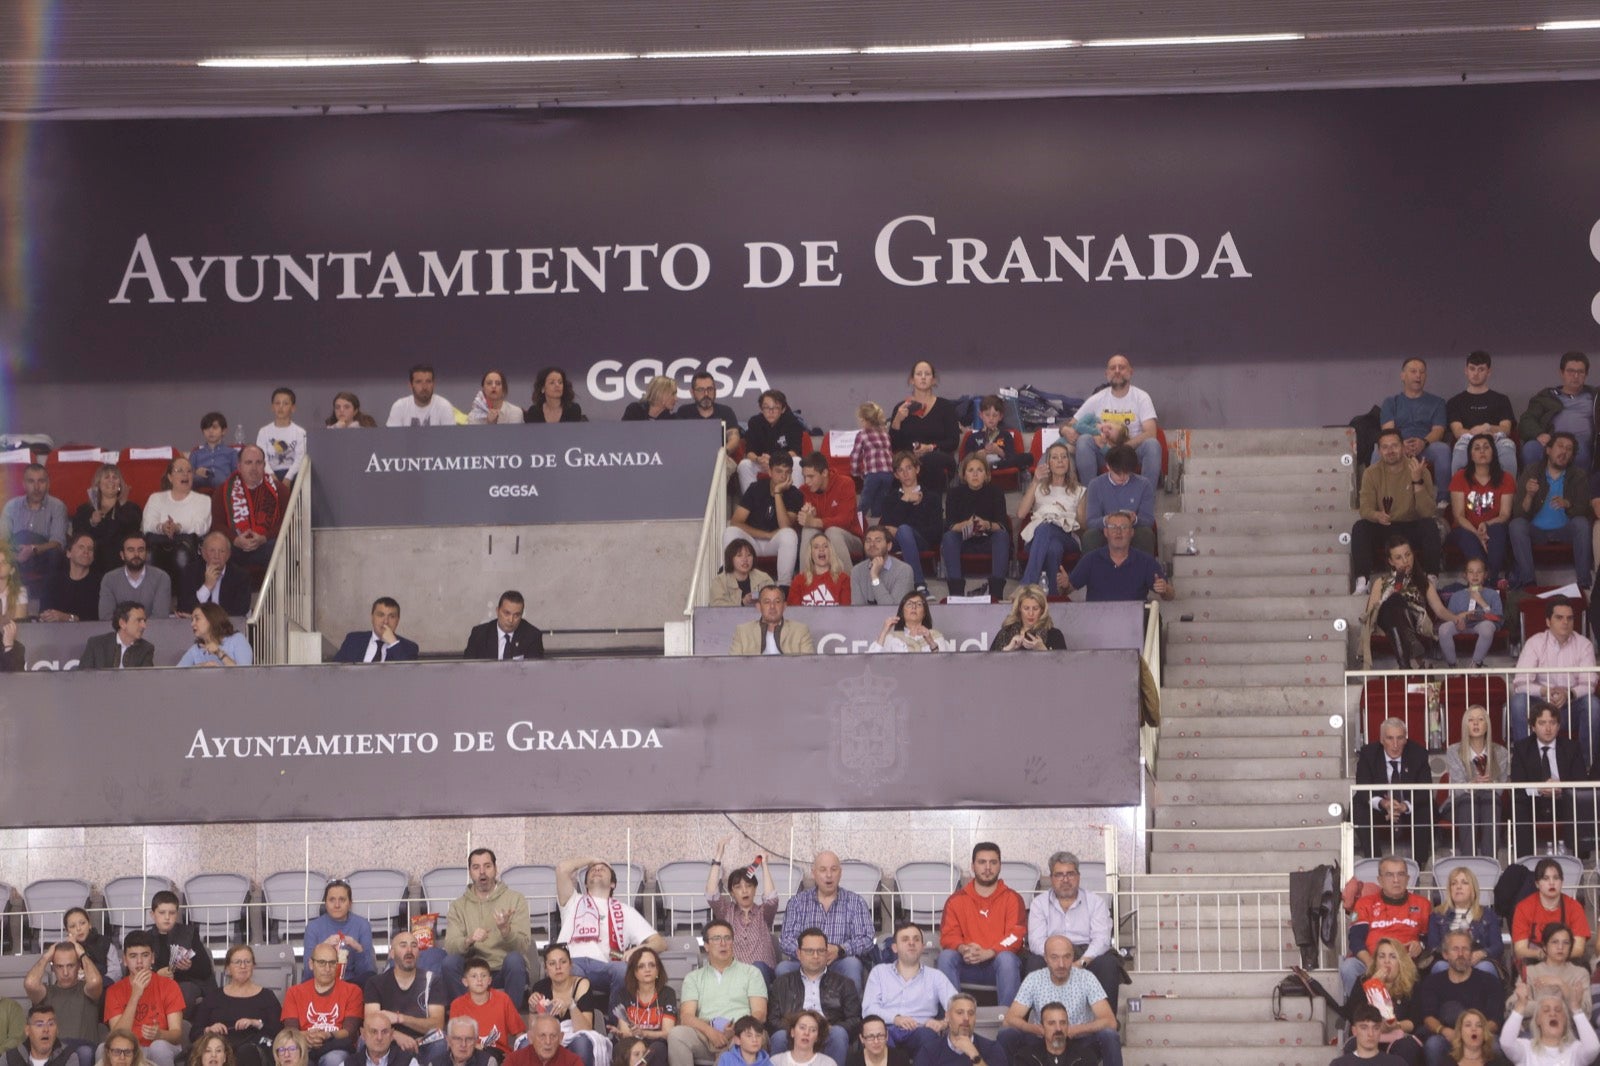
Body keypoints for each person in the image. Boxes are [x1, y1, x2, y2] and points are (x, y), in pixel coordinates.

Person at [554, 856, 666, 999]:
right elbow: (562, 869)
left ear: (613, 884)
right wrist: (591, 859)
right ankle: (581, 1020)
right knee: (569, 971)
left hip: (604, 966)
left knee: (623, 970)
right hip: (572, 962)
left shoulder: (625, 911)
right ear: (586, 884)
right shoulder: (573, 901)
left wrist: (637, 950)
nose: (597, 869)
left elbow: (660, 942)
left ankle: (615, 1020)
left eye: (603, 869)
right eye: (592, 869)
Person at [997, 937, 1117, 1066]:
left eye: (1066, 957)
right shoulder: (1034, 979)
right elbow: (1009, 1019)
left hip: (1079, 1039)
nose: (1061, 964)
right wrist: (1034, 1028)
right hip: (1043, 1040)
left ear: (1073, 958)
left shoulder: (1086, 978)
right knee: (1007, 1034)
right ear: (1046, 959)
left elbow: (1110, 1022)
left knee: (1109, 1036)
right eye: (1054, 957)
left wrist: (1075, 1030)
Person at [1026, 852, 1121, 1015]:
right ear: (1051, 878)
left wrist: (1081, 962)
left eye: (1070, 874)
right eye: (1059, 875)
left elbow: (1102, 939)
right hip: (1051, 953)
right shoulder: (1039, 904)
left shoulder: (1095, 902)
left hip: (1087, 954)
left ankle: (1106, 1025)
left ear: (1078, 876)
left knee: (1109, 964)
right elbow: (1035, 941)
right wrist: (1056, 959)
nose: (1065, 880)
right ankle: (1039, 1026)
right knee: (1032, 963)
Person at [665, 919, 768, 1066]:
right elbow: (686, 1016)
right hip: (705, 1033)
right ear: (706, 946)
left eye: (727, 938)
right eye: (716, 939)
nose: (723, 943)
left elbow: (760, 1013)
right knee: (677, 1035)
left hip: (740, 1031)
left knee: (751, 1037)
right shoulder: (694, 977)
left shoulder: (751, 973)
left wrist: (736, 1030)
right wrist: (710, 1032)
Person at [934, 844, 1025, 1009]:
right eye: (982, 862)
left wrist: (990, 952)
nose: (988, 868)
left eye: (993, 862)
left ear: (1000, 866)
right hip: (967, 964)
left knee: (1007, 959)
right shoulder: (956, 900)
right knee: (946, 957)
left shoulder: (1012, 898)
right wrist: (963, 949)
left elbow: (1015, 936)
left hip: (998, 965)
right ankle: (954, 1017)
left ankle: (1008, 1024)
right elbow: (948, 935)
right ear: (972, 866)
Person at [1352, 430, 1443, 594]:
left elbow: (1427, 511)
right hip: (1385, 526)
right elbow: (1365, 509)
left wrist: (1417, 481)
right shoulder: (1371, 473)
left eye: (1394, 445)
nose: (1390, 451)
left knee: (1430, 526)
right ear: (1379, 451)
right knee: (1360, 527)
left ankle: (1431, 579)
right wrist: (1376, 515)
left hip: (1411, 525)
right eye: (1385, 447)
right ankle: (1362, 581)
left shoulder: (1419, 470)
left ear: (1403, 447)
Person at [440, 848, 531, 1007]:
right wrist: (469, 940)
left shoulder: (515, 899)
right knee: (449, 963)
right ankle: (468, 1016)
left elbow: (523, 945)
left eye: (487, 866)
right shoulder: (458, 906)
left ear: (495, 869)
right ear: (470, 872)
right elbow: (450, 947)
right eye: (476, 867)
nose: (482, 872)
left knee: (515, 960)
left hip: (503, 969)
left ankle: (510, 1019)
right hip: (473, 972)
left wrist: (506, 931)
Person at [1508, 597, 1595, 756]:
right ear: (1548, 622)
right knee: (1519, 701)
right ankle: (1525, 761)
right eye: (1559, 617)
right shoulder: (1534, 643)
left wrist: (1569, 694)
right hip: (1540, 708)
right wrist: (1545, 691)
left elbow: (1589, 683)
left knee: (1593, 704)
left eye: (1569, 618)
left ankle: (1586, 766)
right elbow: (1520, 682)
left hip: (1570, 708)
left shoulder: (1584, 645)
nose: (1565, 622)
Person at [777, 853, 874, 993]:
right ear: (814, 873)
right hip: (804, 963)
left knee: (852, 965)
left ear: (840, 873)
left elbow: (867, 939)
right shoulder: (797, 903)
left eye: (834, 869)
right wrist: (810, 953)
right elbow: (786, 940)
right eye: (823, 870)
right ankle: (792, 1015)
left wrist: (840, 950)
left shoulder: (855, 902)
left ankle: (853, 1015)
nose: (829, 875)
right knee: (783, 969)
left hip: (840, 961)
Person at [1509, 431, 1593, 591]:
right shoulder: (1531, 471)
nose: (1564, 452)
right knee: (1516, 525)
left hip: (1564, 531)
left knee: (1582, 523)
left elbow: (1584, 510)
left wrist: (1568, 504)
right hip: (1537, 532)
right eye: (1560, 446)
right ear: (1548, 450)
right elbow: (1519, 513)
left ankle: (1584, 583)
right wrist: (1529, 495)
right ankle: (1529, 582)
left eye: (1569, 449)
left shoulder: (1578, 475)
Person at [1340, 858, 1431, 1000]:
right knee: (1349, 967)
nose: (1396, 880)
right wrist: (1372, 964)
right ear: (1380, 880)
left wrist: (1420, 945)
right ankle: (1359, 1015)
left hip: (1406, 964)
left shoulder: (1423, 904)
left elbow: (1428, 939)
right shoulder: (1364, 903)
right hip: (1371, 961)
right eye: (1389, 875)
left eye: (1401, 874)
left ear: (1407, 878)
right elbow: (1355, 939)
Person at [1510, 702, 1590, 857]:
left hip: (1564, 803)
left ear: (1559, 726)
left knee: (1581, 803)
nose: (1548, 728)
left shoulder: (1571, 747)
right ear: (1533, 727)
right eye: (1542, 723)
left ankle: (1582, 860)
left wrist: (1563, 788)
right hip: (1534, 803)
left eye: (1552, 723)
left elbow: (1581, 782)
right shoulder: (1522, 748)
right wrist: (1539, 789)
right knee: (1518, 805)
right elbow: (1517, 784)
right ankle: (1525, 861)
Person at [767, 930, 860, 1064]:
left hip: (829, 1030)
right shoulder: (781, 983)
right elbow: (772, 1020)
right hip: (793, 1032)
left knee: (838, 1034)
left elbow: (855, 1020)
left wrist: (826, 1028)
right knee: (780, 1036)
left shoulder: (844, 983)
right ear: (799, 953)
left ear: (827, 952)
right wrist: (797, 1029)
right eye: (809, 951)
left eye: (821, 951)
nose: (815, 956)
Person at [1357, 537, 1450, 670]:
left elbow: (1440, 610)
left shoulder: (1424, 582)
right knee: (1393, 600)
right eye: (1399, 558)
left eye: (1408, 555)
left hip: (1414, 620)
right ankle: (1410, 640)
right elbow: (1372, 612)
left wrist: (1458, 618)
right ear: (1391, 561)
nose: (1405, 561)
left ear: (1413, 555)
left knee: (1397, 603)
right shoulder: (1380, 582)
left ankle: (1404, 667)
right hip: (1384, 623)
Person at [1415, 931, 1504, 1066]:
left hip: (1480, 1034)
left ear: (1471, 953)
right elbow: (1428, 1017)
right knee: (1433, 1045)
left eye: (1465, 949)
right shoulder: (1432, 982)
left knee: (1495, 1046)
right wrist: (1446, 1032)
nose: (1461, 954)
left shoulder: (1489, 981)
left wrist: (1473, 1034)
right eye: (1455, 949)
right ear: (1445, 954)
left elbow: (1495, 1021)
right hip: (1448, 1035)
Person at [1353, 720, 1434, 866]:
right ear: (1382, 740)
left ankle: (1418, 863)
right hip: (1381, 809)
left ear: (1406, 739)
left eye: (1400, 738)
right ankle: (1374, 861)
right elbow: (1362, 787)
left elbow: (1425, 790)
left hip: (1409, 808)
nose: (1395, 744)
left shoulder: (1419, 753)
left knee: (1427, 808)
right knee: (1357, 805)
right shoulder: (1368, 753)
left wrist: (1403, 806)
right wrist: (1384, 803)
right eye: (1390, 738)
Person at [1377, 357, 1452, 506]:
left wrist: (1423, 443)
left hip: (1426, 445)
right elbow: (1388, 431)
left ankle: (1443, 500)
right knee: (1376, 453)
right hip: (1398, 445)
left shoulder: (1437, 402)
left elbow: (1438, 430)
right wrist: (1401, 445)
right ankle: (1378, 498)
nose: (1418, 375)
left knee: (1443, 449)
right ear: (1403, 376)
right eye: (1413, 371)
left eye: (1422, 372)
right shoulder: (1390, 402)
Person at [365, 931, 447, 1066]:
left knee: (440, 1041)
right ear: (391, 953)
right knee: (366, 1040)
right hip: (389, 1043)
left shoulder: (433, 980)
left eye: (414, 946)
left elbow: (437, 1025)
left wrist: (400, 1018)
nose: (409, 950)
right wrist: (395, 1035)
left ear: (419, 952)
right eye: (403, 945)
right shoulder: (375, 982)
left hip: (422, 1043)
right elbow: (370, 1022)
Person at [103, 932, 184, 1066]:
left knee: (159, 1047)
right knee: (104, 1049)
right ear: (124, 960)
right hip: (129, 1049)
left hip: (160, 1046)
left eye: (145, 955)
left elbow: (177, 1034)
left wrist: (160, 1035)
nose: (139, 962)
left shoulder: (169, 986)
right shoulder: (114, 991)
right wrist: (135, 996)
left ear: (152, 958)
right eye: (133, 956)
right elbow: (117, 1037)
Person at [722, 452, 802, 589]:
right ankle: (730, 579)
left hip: (775, 543)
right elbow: (736, 521)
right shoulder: (755, 488)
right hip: (753, 542)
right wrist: (765, 535)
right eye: (779, 471)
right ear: (770, 472)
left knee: (790, 534)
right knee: (730, 531)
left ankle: (784, 586)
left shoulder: (795, 494)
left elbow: (785, 526)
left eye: (787, 472)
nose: (783, 476)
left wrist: (777, 492)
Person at [706, 838, 781, 982]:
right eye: (738, 887)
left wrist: (764, 864)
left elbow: (771, 898)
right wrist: (718, 856)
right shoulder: (726, 912)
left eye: (749, 886)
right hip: (735, 975)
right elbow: (711, 894)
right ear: (732, 892)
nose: (744, 891)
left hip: (762, 974)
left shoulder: (763, 913)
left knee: (757, 968)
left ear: (755, 889)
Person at [196, 945, 283, 1066]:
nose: (243, 966)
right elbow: (194, 1032)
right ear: (227, 968)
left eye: (247, 962)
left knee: (246, 1052)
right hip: (220, 1049)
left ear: (254, 966)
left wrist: (256, 1023)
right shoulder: (213, 997)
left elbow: (279, 1031)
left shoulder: (267, 996)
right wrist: (209, 1029)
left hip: (254, 1049)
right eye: (237, 962)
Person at [1340, 938, 1423, 1065]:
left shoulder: (1412, 984)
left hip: (1398, 1036)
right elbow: (1354, 1016)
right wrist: (1373, 987)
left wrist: (1396, 1025)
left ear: (1401, 962)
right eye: (1381, 956)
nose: (1386, 961)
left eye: (1393, 957)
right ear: (1375, 961)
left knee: (1407, 1047)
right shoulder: (1363, 981)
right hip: (1367, 1034)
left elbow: (1414, 1021)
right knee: (1353, 1045)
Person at [1438, 707, 1508, 857]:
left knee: (1491, 799)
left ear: (1487, 724)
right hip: (1460, 804)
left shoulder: (1501, 752)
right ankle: (1469, 859)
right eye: (1471, 720)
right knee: (1469, 802)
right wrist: (1473, 785)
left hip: (1488, 803)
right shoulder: (1453, 751)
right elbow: (1458, 788)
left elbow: (1500, 789)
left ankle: (1491, 861)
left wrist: (1491, 784)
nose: (1476, 724)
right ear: (1465, 725)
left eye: (1480, 719)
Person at [1016, 442, 1084, 595]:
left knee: (1046, 527)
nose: (1060, 461)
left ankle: (1027, 584)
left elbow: (1083, 525)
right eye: (1055, 457)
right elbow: (1021, 514)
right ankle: (1052, 594)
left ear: (1069, 462)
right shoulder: (1039, 487)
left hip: (1067, 536)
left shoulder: (1079, 490)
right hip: (1037, 537)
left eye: (1064, 457)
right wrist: (1034, 481)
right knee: (1053, 547)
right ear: (1048, 463)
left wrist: (1061, 512)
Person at [1446, 435, 1514, 586]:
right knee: (1467, 536)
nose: (1482, 451)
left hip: (1492, 527)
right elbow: (1458, 516)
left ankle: (1492, 578)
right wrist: (1477, 534)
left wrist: (1486, 524)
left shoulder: (1506, 478)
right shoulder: (1460, 477)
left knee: (1497, 530)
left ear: (1493, 452)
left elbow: (1504, 515)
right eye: (1477, 448)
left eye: (1486, 447)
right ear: (1471, 454)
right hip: (1464, 529)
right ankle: (1485, 582)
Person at [1061, 511, 1173, 604]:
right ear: (1105, 532)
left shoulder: (1145, 561)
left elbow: (1170, 594)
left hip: (1134, 623)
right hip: (1097, 622)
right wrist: (1065, 585)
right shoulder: (1090, 559)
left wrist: (1164, 589)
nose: (1118, 532)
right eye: (1113, 527)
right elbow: (1068, 589)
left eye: (1124, 527)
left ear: (1132, 532)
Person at [282, 943, 364, 1066]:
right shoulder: (294, 992)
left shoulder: (352, 991)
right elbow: (291, 1031)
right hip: (304, 1046)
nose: (327, 969)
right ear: (311, 964)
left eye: (332, 963)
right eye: (321, 963)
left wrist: (327, 1035)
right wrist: (307, 1036)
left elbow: (350, 1031)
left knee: (334, 1059)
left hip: (336, 1047)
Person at [23, 942, 103, 1066]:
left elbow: (95, 981)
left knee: (84, 1052)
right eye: (59, 966)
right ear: (53, 967)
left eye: (70, 965)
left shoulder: (88, 990)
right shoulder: (46, 992)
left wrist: (82, 954)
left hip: (84, 1049)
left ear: (78, 966)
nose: (65, 973)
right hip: (54, 1050)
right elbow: (30, 983)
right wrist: (46, 957)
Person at [1518, 351, 1599, 473]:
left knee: (1580, 451)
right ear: (1562, 373)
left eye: (1580, 372)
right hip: (1551, 442)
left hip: (1582, 445)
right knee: (1531, 449)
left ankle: (1577, 490)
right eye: (1571, 371)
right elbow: (1527, 419)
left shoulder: (1595, 396)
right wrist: (1539, 434)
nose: (1575, 376)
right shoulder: (1546, 396)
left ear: (1586, 374)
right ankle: (1534, 490)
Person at [940, 457, 1009, 601]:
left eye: (979, 470)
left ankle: (996, 593)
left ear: (986, 474)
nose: (975, 474)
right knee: (949, 537)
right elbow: (950, 525)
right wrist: (965, 525)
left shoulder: (996, 492)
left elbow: (1002, 524)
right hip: (964, 540)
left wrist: (987, 524)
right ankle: (956, 593)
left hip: (988, 540)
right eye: (971, 470)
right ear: (964, 475)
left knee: (1002, 536)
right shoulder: (954, 493)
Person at [527, 944, 606, 1066]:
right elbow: (534, 1029)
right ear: (546, 969)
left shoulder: (582, 984)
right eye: (552, 964)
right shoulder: (539, 987)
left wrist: (571, 1005)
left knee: (582, 1043)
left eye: (563, 962)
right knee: (526, 1044)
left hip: (577, 1036)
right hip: (550, 1037)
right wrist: (532, 1010)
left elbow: (585, 1029)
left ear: (570, 965)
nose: (558, 967)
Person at [888, 361, 959, 492]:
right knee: (906, 466)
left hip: (938, 456)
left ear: (933, 380)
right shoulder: (901, 408)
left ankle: (932, 507)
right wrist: (897, 420)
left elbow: (953, 442)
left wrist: (931, 447)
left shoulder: (946, 407)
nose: (923, 377)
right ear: (911, 380)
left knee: (930, 461)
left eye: (927, 374)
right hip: (910, 459)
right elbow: (895, 446)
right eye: (919, 374)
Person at [880, 452, 943, 597]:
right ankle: (919, 586)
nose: (905, 474)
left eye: (909, 468)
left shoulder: (932, 497)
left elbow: (937, 531)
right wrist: (905, 500)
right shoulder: (890, 499)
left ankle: (919, 584)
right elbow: (885, 528)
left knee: (904, 530)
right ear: (896, 475)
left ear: (917, 469)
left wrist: (904, 532)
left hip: (922, 541)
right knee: (892, 533)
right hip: (894, 543)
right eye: (900, 470)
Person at [211, 444, 284, 569]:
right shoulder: (222, 491)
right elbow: (217, 525)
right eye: (248, 462)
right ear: (239, 466)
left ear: (264, 466)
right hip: (235, 546)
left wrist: (264, 538)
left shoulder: (280, 490)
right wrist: (235, 539)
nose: (254, 468)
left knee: (279, 548)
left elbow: (285, 523)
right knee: (220, 547)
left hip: (267, 544)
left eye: (258, 462)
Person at [141, 456, 211, 581]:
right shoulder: (156, 498)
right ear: (170, 477)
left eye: (189, 471)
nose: (185, 474)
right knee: (149, 554)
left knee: (181, 555)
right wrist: (162, 527)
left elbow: (200, 527)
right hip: (158, 544)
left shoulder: (203, 500)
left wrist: (178, 527)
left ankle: (184, 598)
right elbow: (147, 524)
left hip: (187, 547)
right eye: (180, 470)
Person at [1446, 351, 1518, 475]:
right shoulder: (1455, 401)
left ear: (1489, 372)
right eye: (1472, 369)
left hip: (1495, 439)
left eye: (1481, 369)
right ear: (1466, 370)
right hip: (1467, 439)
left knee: (1508, 446)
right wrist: (1478, 432)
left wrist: (1488, 427)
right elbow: (1457, 431)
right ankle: (1457, 494)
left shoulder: (1501, 399)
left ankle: (1508, 492)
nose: (1476, 373)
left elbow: (1506, 429)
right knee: (1460, 449)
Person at [5, 462, 69, 599]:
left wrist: (32, 549)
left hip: (44, 557)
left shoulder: (57, 506)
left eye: (41, 481)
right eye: (31, 481)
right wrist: (16, 553)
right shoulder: (12, 506)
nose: (36, 487)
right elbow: (2, 540)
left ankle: (49, 602)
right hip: (15, 555)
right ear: (23, 484)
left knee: (56, 555)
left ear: (48, 483)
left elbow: (58, 542)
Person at [147, 888, 216, 1014]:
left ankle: (176, 1027)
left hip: (185, 984)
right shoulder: (145, 938)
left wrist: (190, 966)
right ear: (152, 914)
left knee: (185, 990)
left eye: (172, 913)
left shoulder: (189, 933)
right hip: (156, 986)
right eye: (162, 913)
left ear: (177, 914)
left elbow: (206, 970)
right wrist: (156, 976)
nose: (167, 917)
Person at [1511, 860, 1590, 967]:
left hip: (1567, 960)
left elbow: (1578, 949)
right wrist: (1541, 955)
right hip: (1536, 959)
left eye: (1556, 878)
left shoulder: (1574, 907)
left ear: (1562, 882)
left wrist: (1557, 956)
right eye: (1546, 878)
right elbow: (1520, 950)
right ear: (1537, 884)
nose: (1552, 883)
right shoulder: (1523, 907)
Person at [1499, 982, 1599, 1066]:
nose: (1553, 1014)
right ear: (1537, 1020)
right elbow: (1506, 1043)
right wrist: (1520, 1005)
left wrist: (1576, 1009)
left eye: (1558, 1010)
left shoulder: (1575, 1049)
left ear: (1565, 1020)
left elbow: (1593, 1048)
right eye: (1546, 1010)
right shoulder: (1525, 1048)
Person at [1078, 447, 1155, 555]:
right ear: (1108, 466)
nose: (1123, 477)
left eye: (1127, 473)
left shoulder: (1144, 484)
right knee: (1090, 536)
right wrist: (1107, 520)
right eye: (1118, 473)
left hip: (1131, 529)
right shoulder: (1095, 484)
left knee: (1145, 534)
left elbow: (1148, 520)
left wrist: (1135, 519)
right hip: (1106, 530)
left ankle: (1145, 571)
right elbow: (1091, 522)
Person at [609, 947, 677, 1066]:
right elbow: (626, 1032)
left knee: (656, 1049)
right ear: (634, 972)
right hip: (631, 1043)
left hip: (657, 1043)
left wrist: (644, 1033)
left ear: (658, 970)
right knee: (626, 1050)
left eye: (652, 965)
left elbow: (667, 1032)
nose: (647, 969)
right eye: (641, 966)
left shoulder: (667, 993)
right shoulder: (623, 994)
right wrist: (622, 1034)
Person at [301, 880, 376, 988]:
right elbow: (308, 972)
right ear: (325, 903)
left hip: (351, 984)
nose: (337, 905)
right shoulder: (313, 927)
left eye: (342, 900)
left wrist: (358, 948)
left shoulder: (362, 925)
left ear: (350, 903)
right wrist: (323, 946)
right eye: (332, 900)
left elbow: (369, 971)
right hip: (321, 983)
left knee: (370, 980)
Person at [447, 958, 523, 1063]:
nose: (479, 980)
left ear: (490, 980)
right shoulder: (457, 1004)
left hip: (497, 1052)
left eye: (483, 976)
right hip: (469, 1050)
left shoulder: (503, 999)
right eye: (474, 976)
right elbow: (454, 1036)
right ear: (465, 982)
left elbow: (519, 1033)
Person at [73, 464, 142, 575]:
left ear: (120, 484)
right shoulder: (85, 510)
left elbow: (132, 532)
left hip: (118, 558)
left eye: (115, 477)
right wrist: (92, 522)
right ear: (98, 484)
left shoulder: (131, 508)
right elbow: (77, 535)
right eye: (106, 477)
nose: (111, 481)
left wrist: (121, 506)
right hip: (92, 558)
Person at [797, 453, 863, 567]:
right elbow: (807, 522)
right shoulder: (804, 490)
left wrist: (815, 521)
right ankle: (804, 582)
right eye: (804, 476)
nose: (807, 481)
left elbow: (845, 520)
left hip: (851, 538)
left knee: (832, 532)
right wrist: (807, 517)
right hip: (822, 538)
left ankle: (848, 582)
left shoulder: (845, 483)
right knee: (808, 530)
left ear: (824, 473)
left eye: (811, 476)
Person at [1436, 560, 1503, 670]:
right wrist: (1459, 618)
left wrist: (1482, 602)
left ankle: (1476, 664)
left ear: (1485, 575)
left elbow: (1498, 619)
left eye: (1479, 572)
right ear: (1465, 575)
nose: (1475, 575)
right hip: (1462, 624)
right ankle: (1453, 665)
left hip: (1480, 624)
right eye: (1471, 572)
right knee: (1444, 629)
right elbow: (1448, 617)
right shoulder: (1457, 595)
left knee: (1487, 627)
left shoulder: (1492, 594)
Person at [737, 390, 807, 494]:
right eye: (767, 408)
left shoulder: (792, 422)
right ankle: (750, 505)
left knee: (797, 462)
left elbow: (794, 451)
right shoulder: (755, 422)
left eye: (775, 408)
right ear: (761, 408)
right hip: (762, 464)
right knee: (744, 465)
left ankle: (795, 504)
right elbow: (749, 452)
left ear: (783, 409)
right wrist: (758, 459)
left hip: (783, 464)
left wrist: (774, 461)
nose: (771, 411)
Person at [98, 533, 171, 623]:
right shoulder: (109, 579)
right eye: (131, 550)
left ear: (146, 554)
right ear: (122, 555)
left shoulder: (161, 578)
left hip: (153, 634)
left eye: (140, 550)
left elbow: (160, 617)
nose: (136, 554)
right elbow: (106, 617)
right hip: (119, 634)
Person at [1520, 924, 1589, 1018]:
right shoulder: (1530, 972)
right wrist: (1557, 1006)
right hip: (1534, 1029)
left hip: (1570, 1030)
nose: (1560, 947)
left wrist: (1561, 984)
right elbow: (1515, 1007)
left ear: (1571, 947)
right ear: (1544, 946)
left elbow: (1586, 1012)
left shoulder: (1580, 973)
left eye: (1566, 943)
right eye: (1554, 942)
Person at [176, 532, 253, 616]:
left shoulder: (241, 577)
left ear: (228, 555)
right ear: (204, 553)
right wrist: (206, 587)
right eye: (212, 551)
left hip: (227, 627)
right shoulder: (189, 573)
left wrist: (208, 621)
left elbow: (239, 612)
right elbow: (184, 608)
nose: (216, 556)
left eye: (222, 551)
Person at [958, 396, 1028, 482]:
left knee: (1026, 457)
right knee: (971, 463)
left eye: (995, 415)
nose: (991, 419)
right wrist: (978, 455)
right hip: (979, 466)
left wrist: (999, 451)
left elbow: (1011, 457)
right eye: (987, 415)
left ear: (1000, 416)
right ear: (981, 415)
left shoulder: (1006, 435)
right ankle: (987, 466)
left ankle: (993, 466)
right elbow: (966, 459)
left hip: (1001, 464)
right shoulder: (972, 436)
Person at [730, 586, 814, 656]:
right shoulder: (742, 631)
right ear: (759, 607)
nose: (772, 606)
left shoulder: (800, 630)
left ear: (784, 606)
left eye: (777, 602)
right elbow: (733, 667)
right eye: (767, 602)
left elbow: (808, 665)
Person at [462, 591, 545, 661]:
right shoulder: (479, 634)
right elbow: (467, 670)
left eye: (516, 615)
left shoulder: (532, 636)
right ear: (497, 611)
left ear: (521, 615)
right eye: (507, 613)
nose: (511, 620)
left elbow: (534, 674)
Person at [332, 598, 420, 664]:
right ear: (372, 617)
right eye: (380, 615)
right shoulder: (353, 640)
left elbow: (409, 676)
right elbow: (333, 672)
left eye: (392, 616)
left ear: (398, 620)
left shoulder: (409, 648)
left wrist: (393, 643)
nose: (385, 621)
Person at [675, 372, 741, 456]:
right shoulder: (684, 412)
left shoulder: (726, 411)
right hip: (690, 457)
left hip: (722, 459)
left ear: (715, 390)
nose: (706, 394)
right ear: (692, 392)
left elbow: (734, 437)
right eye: (701, 390)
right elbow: (678, 440)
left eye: (710, 389)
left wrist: (723, 453)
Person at [850, 403, 895, 528]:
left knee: (865, 501)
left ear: (864, 420)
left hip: (873, 473)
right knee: (880, 501)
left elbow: (855, 456)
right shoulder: (885, 433)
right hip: (888, 473)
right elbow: (889, 452)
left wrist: (855, 472)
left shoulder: (862, 434)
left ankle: (856, 523)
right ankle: (878, 526)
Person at [39, 532, 100, 622]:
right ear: (68, 553)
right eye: (81, 547)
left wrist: (67, 617)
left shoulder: (100, 583)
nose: (86, 552)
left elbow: (97, 617)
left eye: (90, 549)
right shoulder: (53, 581)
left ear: (93, 557)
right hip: (54, 632)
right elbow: (43, 612)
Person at [867, 591, 951, 654]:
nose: (914, 607)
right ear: (902, 612)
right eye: (909, 604)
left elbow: (943, 665)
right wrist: (884, 632)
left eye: (918, 604)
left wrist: (931, 642)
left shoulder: (935, 636)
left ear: (924, 613)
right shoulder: (892, 638)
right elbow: (872, 662)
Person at [78, 601, 154, 670]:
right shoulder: (96, 644)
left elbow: (145, 680)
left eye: (144, 621)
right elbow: (82, 677)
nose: (144, 626)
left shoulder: (146, 649)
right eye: (139, 620)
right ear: (122, 623)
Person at [851, 528, 914, 610]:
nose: (872, 544)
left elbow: (893, 610)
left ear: (889, 546)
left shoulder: (904, 570)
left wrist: (875, 577)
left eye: (878, 540)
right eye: (868, 541)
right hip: (866, 621)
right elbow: (857, 610)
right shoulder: (857, 571)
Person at [990, 586, 1065, 652]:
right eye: (1026, 608)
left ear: (1042, 610)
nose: (1031, 613)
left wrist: (1043, 650)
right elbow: (989, 664)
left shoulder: (1054, 635)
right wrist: (1007, 650)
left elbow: (1064, 666)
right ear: (1019, 608)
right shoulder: (1005, 633)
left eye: (1035, 608)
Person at [257, 388, 307, 483]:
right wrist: (271, 477)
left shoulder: (300, 432)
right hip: (269, 475)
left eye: (285, 404)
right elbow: (262, 458)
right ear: (272, 407)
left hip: (293, 475)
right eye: (277, 403)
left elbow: (300, 459)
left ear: (293, 408)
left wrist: (288, 478)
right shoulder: (263, 432)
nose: (280, 407)